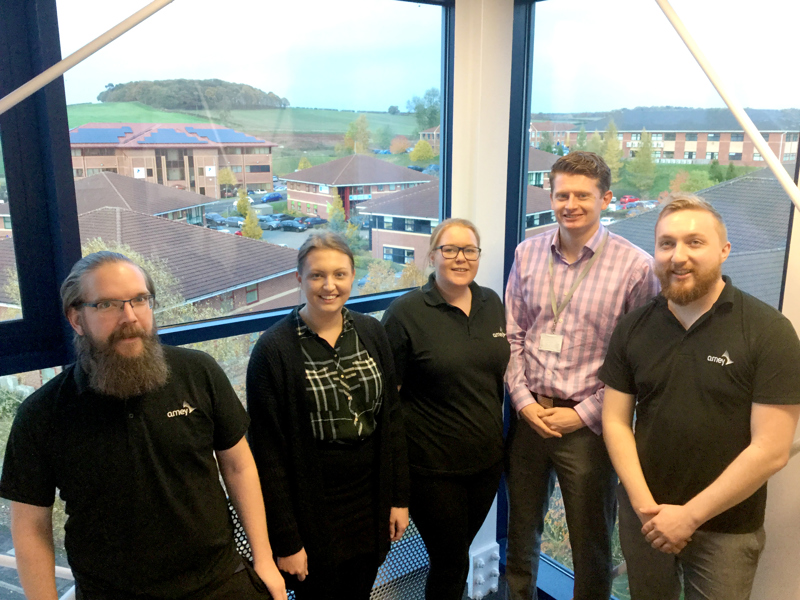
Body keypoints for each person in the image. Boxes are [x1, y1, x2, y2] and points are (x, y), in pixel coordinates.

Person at [0, 251, 286, 600]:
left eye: (140, 299)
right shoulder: (42, 414)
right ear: (76, 318)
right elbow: (30, 526)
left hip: (221, 583)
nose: (130, 316)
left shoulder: (198, 372)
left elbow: (239, 466)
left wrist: (265, 560)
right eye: (107, 304)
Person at [600, 194, 800, 600]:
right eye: (667, 243)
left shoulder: (768, 331)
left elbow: (771, 449)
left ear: (724, 250)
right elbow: (615, 421)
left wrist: (689, 517)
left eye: (695, 242)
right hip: (647, 517)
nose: (678, 256)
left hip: (726, 529)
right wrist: (644, 507)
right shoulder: (633, 326)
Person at [504, 151, 660, 600]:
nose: (570, 204)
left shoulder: (636, 267)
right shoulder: (527, 253)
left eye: (582, 195)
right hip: (529, 417)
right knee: (521, 534)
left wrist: (585, 414)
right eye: (561, 195)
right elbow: (514, 336)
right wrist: (523, 402)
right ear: (551, 197)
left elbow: (637, 359)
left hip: (589, 429)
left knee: (590, 543)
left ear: (605, 198)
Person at [246, 231, 409, 600]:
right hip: (312, 511)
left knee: (359, 591)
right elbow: (268, 456)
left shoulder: (371, 331)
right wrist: (286, 541)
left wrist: (398, 497)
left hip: (370, 503)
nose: (329, 285)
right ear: (299, 279)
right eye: (317, 275)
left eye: (340, 274)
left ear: (353, 276)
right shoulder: (272, 350)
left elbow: (392, 421)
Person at [381, 218, 510, 599]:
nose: (460, 258)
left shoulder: (491, 302)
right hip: (433, 473)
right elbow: (388, 405)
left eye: (469, 250)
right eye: (449, 249)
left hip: (486, 466)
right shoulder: (406, 314)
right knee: (450, 562)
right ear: (432, 255)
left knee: (457, 558)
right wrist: (397, 488)